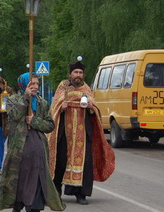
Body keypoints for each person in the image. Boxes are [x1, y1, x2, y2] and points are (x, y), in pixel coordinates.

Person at [0, 73, 65, 212]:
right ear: (23, 85)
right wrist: (25, 99)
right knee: (19, 181)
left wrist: (34, 121)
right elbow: (13, 116)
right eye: (31, 84)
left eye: (36, 84)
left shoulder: (42, 103)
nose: (35, 86)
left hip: (38, 151)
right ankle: (17, 206)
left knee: (38, 183)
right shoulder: (13, 100)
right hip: (19, 150)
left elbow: (50, 125)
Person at [48, 58, 116, 204]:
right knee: (61, 162)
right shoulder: (63, 87)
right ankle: (56, 192)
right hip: (64, 132)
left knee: (84, 163)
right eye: (75, 72)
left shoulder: (86, 89)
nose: (78, 75)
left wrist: (91, 108)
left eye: (80, 72)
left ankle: (81, 194)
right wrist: (61, 107)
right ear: (70, 74)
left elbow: (96, 110)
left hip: (82, 133)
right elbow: (54, 107)